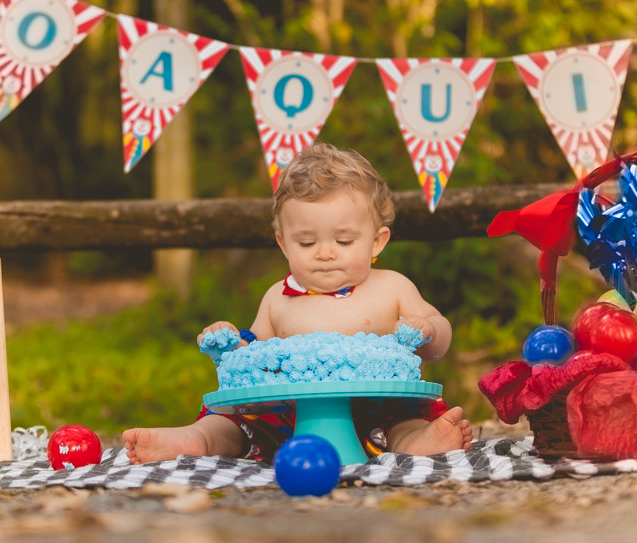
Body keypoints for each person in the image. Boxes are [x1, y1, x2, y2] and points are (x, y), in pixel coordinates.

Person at [123, 142, 473, 464]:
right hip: (286, 411)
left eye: (344, 240)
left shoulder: (393, 287)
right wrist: (231, 346)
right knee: (230, 421)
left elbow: (439, 340)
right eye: (306, 242)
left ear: (377, 241)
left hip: (382, 404)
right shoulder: (277, 297)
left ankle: (418, 442)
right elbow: (255, 357)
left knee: (405, 422)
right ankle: (196, 440)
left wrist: (427, 329)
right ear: (283, 243)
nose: (325, 253)